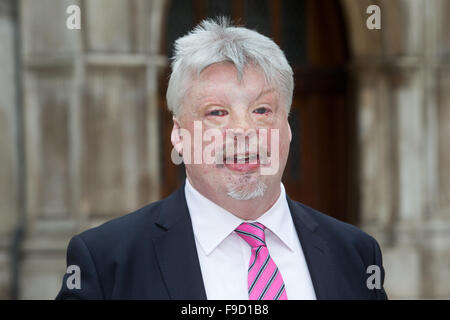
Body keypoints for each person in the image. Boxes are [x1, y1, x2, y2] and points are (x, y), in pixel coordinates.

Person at [56, 17, 387, 300]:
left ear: (287, 127)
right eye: (216, 112)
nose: (243, 130)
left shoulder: (356, 255)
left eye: (261, 110)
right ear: (178, 135)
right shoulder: (107, 262)